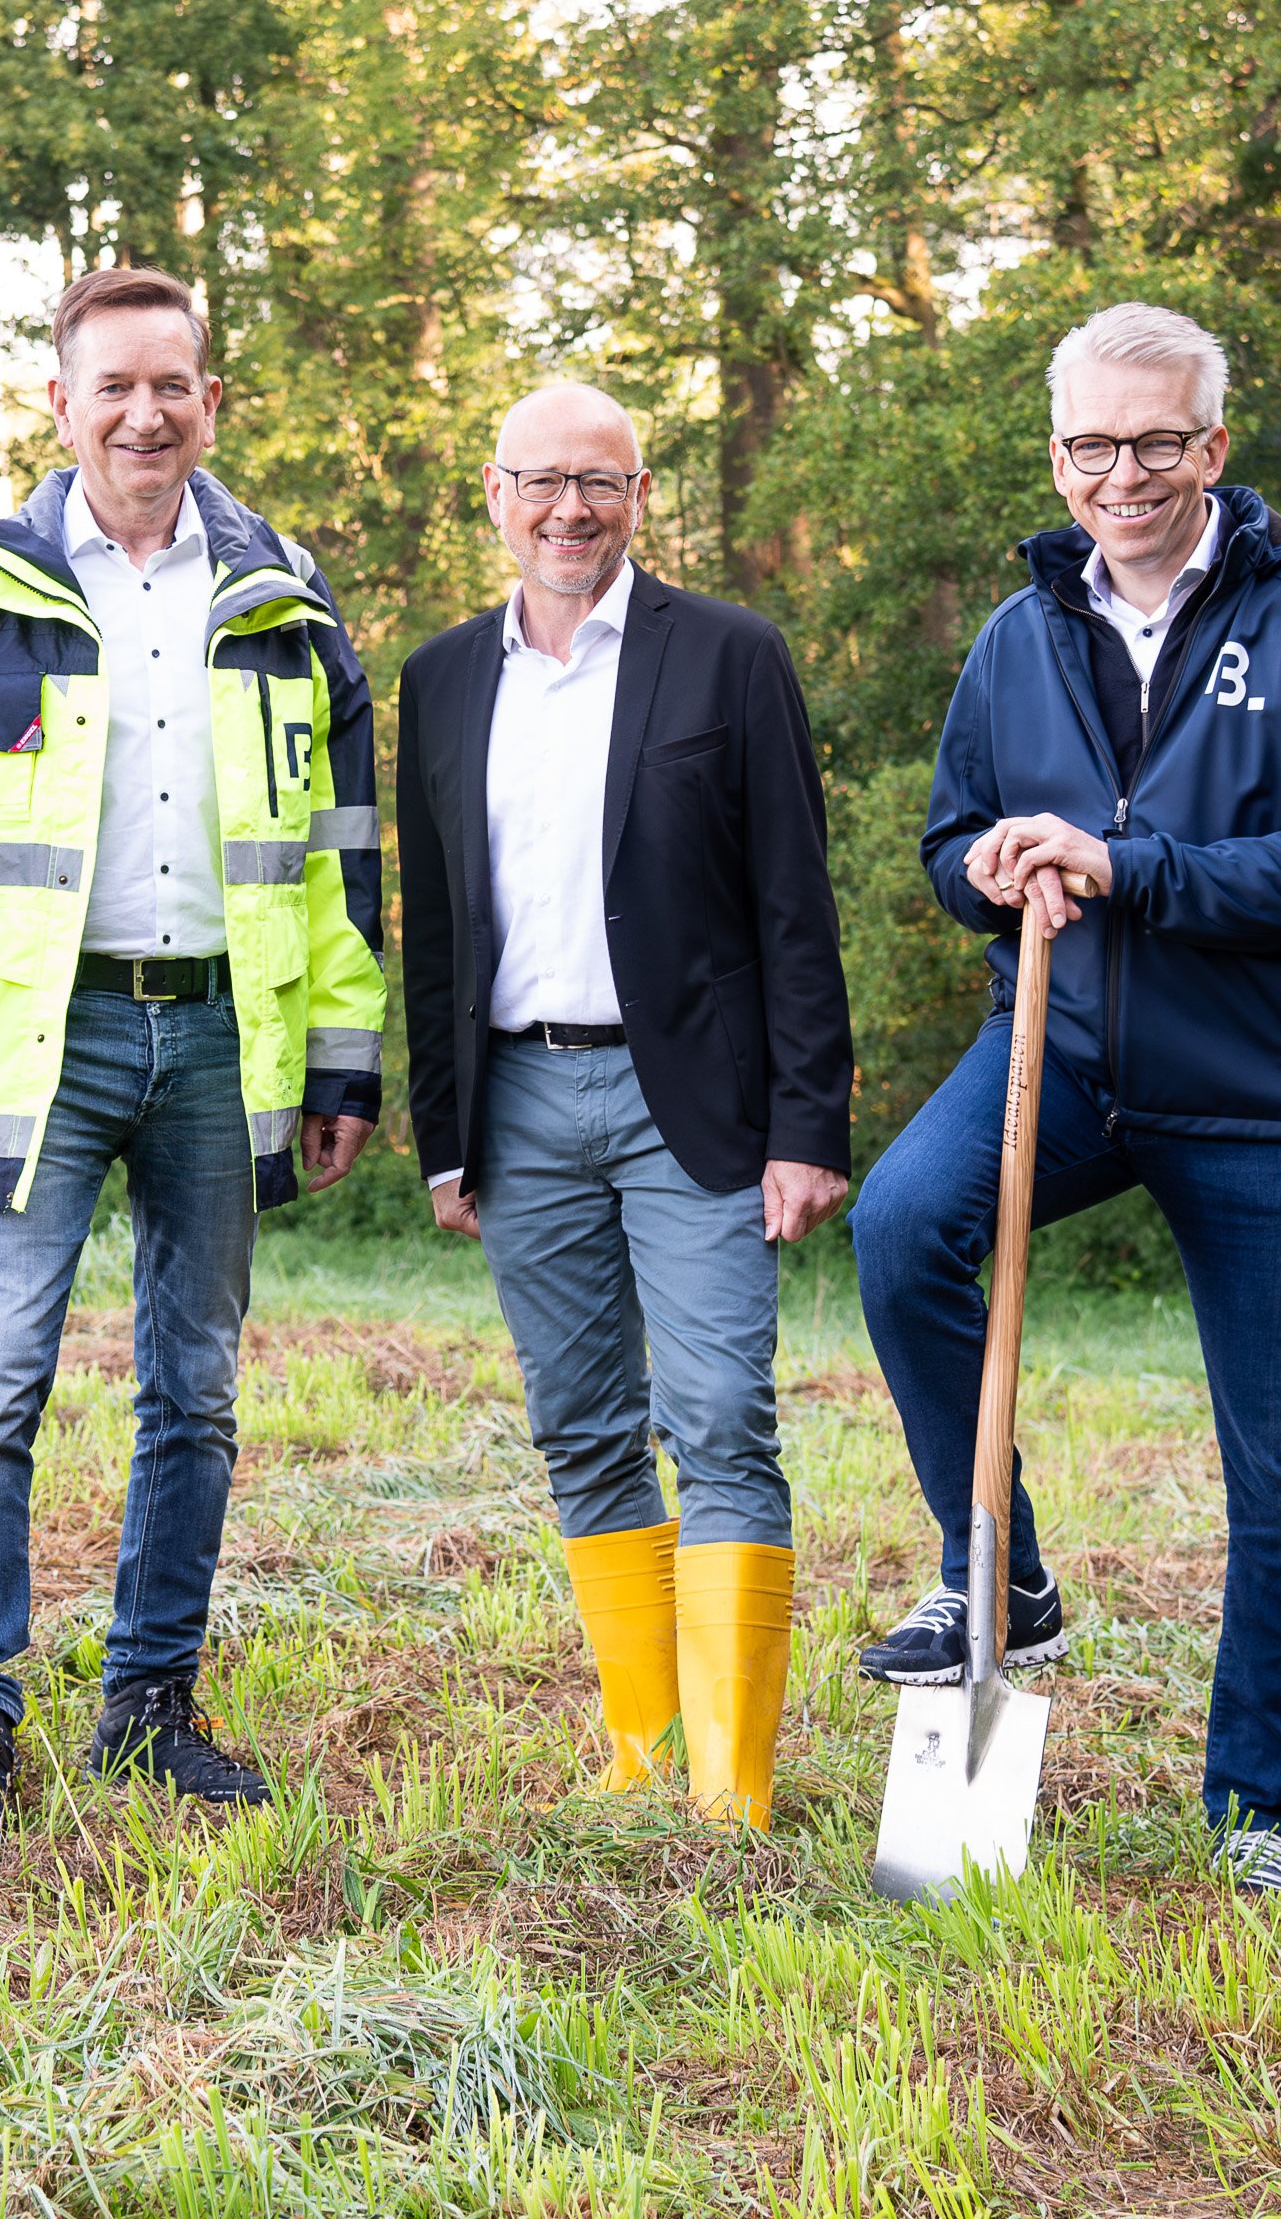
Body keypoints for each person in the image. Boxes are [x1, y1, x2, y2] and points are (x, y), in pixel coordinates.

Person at [848, 301, 1281, 1900]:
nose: (1125, 473)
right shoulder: (1018, 631)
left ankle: (1255, 1817)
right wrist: (978, 869)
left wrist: (1131, 866)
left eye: (1157, 442)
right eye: (1093, 445)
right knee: (899, 1232)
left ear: (1212, 448)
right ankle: (1003, 1582)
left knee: (1279, 1462)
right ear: (1057, 453)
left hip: (1263, 1090)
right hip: (1067, 1057)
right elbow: (954, 836)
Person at [0, 264, 388, 1852]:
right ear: (60, 405)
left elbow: (341, 855)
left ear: (209, 401)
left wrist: (345, 1061)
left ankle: (151, 1706)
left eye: (172, 385)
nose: (143, 413)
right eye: (113, 387)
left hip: (228, 1037)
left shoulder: (287, 600)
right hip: (35, 1040)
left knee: (197, 1393)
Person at [397, 384, 854, 1830]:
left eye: (597, 483)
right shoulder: (441, 680)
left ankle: (734, 1788)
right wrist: (443, 1132)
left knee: (719, 1415)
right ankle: (641, 1750)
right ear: (495, 496)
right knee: (584, 1428)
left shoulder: (726, 656)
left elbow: (794, 905)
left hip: (694, 1106)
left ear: (639, 495)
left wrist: (806, 1125)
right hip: (518, 1101)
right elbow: (436, 927)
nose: (568, 511)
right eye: (540, 483)